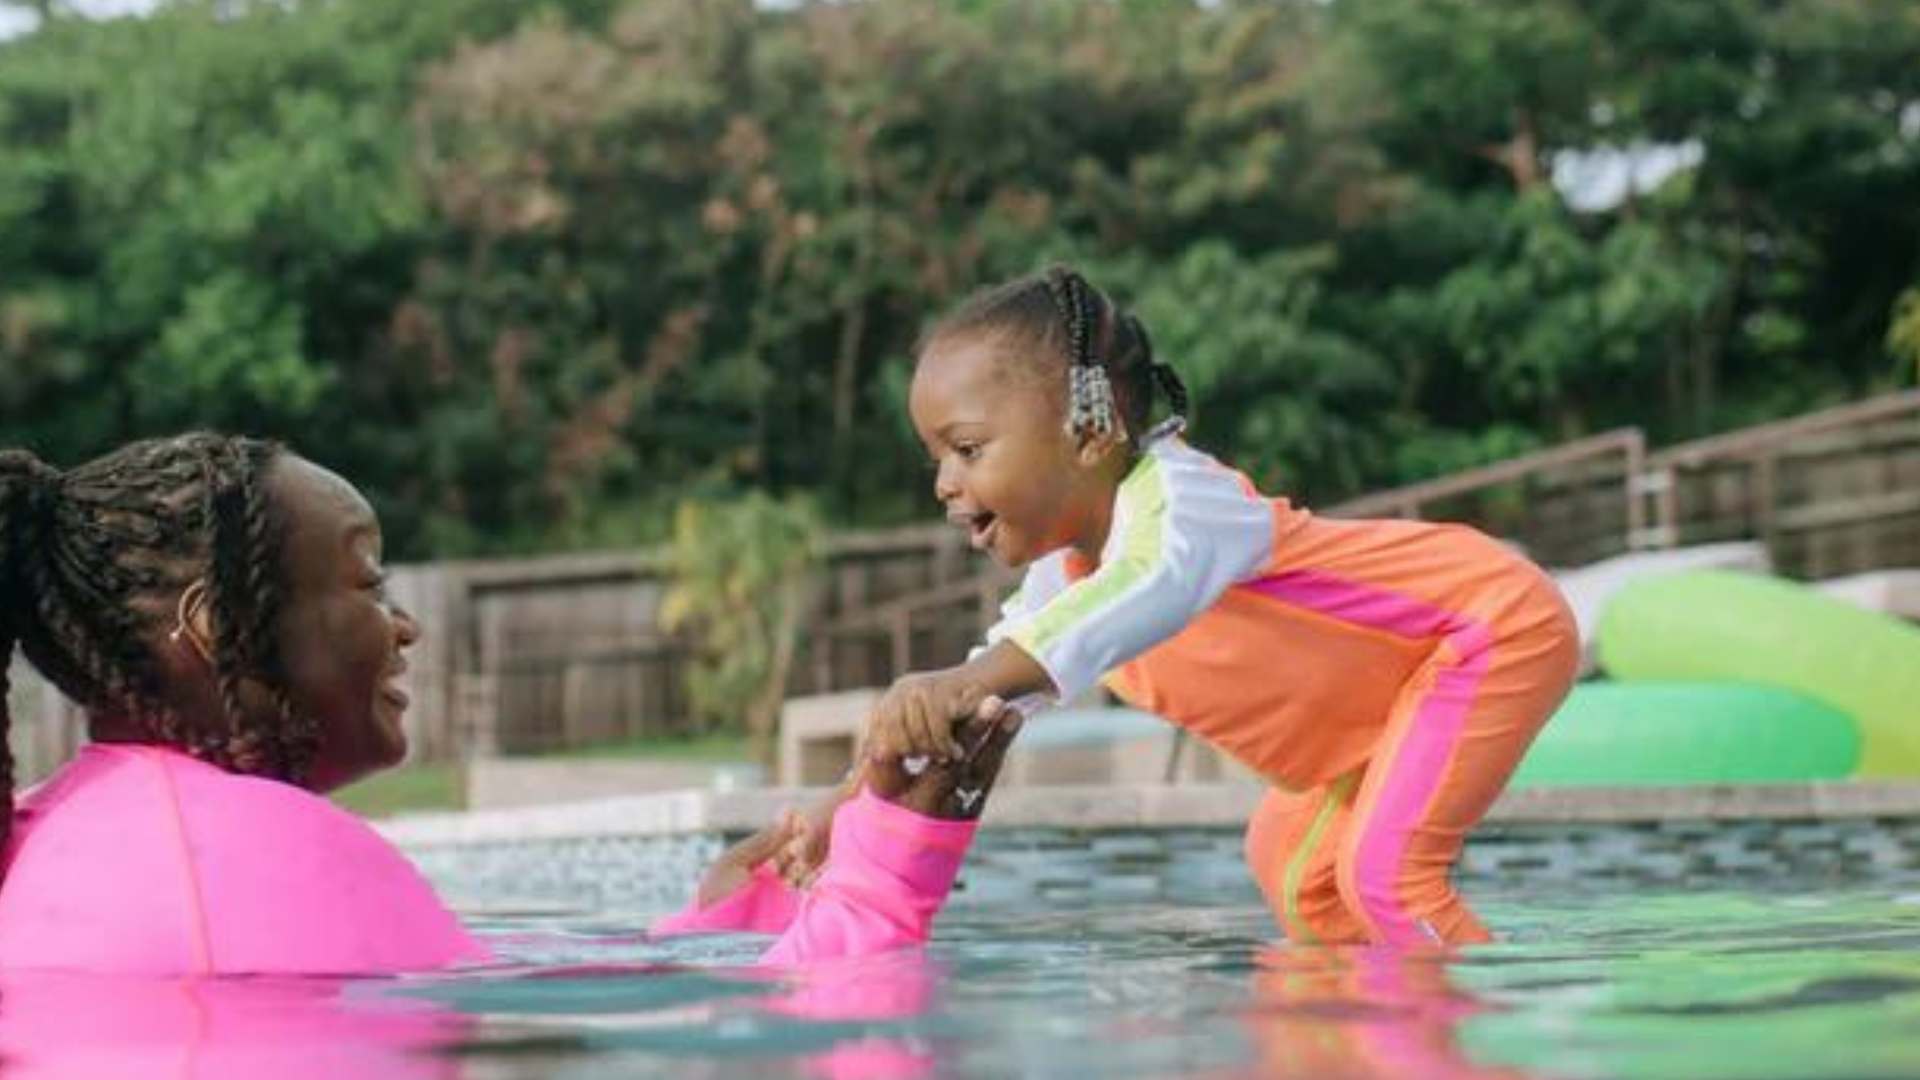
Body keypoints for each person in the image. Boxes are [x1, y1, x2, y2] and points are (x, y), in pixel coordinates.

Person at [765, 266, 1579, 948]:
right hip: (1382, 707)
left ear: (1091, 433)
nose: (944, 482)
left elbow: (1143, 587)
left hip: (1478, 630)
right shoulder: (1067, 580)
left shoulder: (1183, 504)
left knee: (1388, 879)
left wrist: (963, 676)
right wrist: (842, 809)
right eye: (936, 457)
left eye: (968, 449)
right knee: (1298, 874)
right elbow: (992, 691)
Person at [0, 434, 489, 974]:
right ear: (222, 629)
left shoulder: (33, 836)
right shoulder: (271, 854)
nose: (406, 627)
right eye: (370, 586)